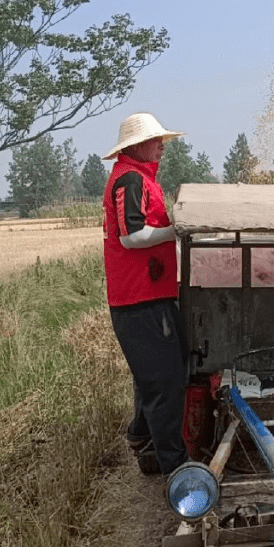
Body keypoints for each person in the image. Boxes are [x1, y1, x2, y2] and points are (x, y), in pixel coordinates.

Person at [101, 112, 189, 477]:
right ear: (135, 146)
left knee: (156, 376)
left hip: (150, 293)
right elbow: (131, 236)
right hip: (140, 298)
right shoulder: (130, 180)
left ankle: (143, 438)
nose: (161, 146)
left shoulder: (141, 178)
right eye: (156, 141)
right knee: (164, 382)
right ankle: (177, 468)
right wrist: (178, 230)